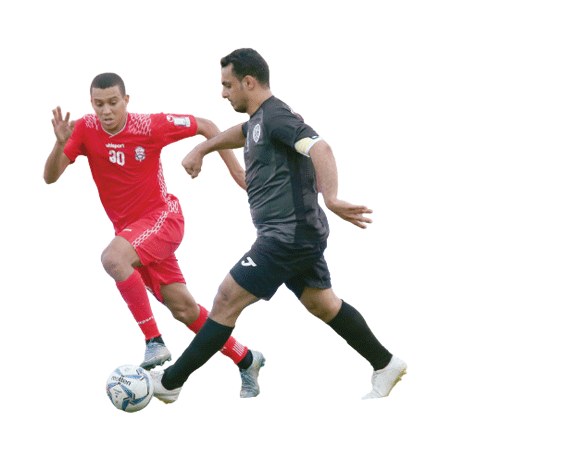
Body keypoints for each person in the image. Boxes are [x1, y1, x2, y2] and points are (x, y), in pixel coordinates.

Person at [151, 49, 407, 403]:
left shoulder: (276, 117)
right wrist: (204, 148)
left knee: (226, 299)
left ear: (248, 82)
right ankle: (386, 363)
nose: (223, 93)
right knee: (323, 304)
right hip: (294, 234)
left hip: (287, 237)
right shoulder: (259, 121)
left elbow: (321, 148)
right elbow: (242, 133)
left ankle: (170, 383)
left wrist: (332, 198)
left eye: (227, 85)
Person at [43, 73, 265, 397]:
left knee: (113, 258)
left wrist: (235, 171)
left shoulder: (149, 126)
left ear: (126, 100)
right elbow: (50, 177)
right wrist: (59, 143)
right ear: (91, 103)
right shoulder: (84, 129)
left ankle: (153, 341)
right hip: (133, 236)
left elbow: (206, 125)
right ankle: (246, 358)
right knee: (185, 309)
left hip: (163, 218)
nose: (106, 110)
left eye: (113, 102)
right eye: (98, 104)